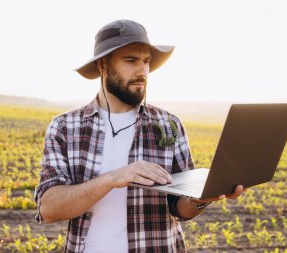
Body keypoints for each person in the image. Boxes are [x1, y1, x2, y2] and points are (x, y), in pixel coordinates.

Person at [34, 19, 245, 253]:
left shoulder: (169, 124)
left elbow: (180, 208)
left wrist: (201, 198)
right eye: (131, 60)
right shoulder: (65, 127)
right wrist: (113, 178)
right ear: (103, 65)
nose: (142, 70)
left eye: (146, 61)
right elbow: (49, 208)